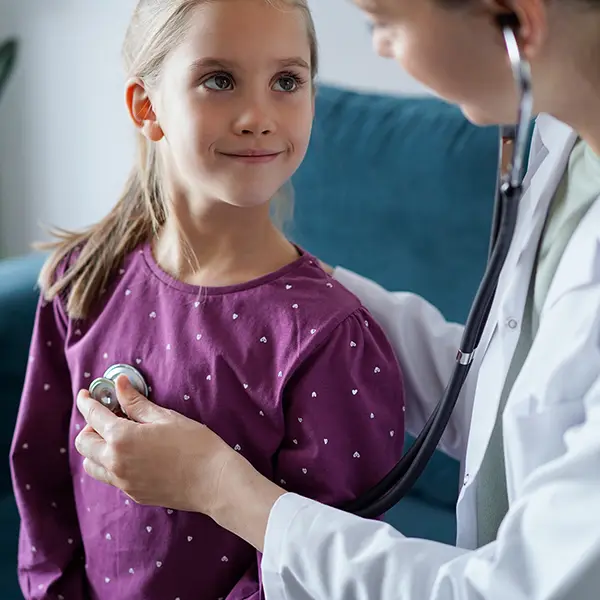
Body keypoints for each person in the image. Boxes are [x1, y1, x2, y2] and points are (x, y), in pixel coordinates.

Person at [74, 0, 600, 598]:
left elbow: (512, 589)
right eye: (219, 79)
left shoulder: (329, 336)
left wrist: (218, 484)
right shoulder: (567, 143)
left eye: (383, 21)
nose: (376, 46)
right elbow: (515, 380)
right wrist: (291, 286)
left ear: (515, 20)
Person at [9, 1, 408, 598]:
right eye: (219, 80)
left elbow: (324, 565)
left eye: (287, 81)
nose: (258, 116)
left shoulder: (330, 335)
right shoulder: (82, 279)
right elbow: (42, 488)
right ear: (147, 107)